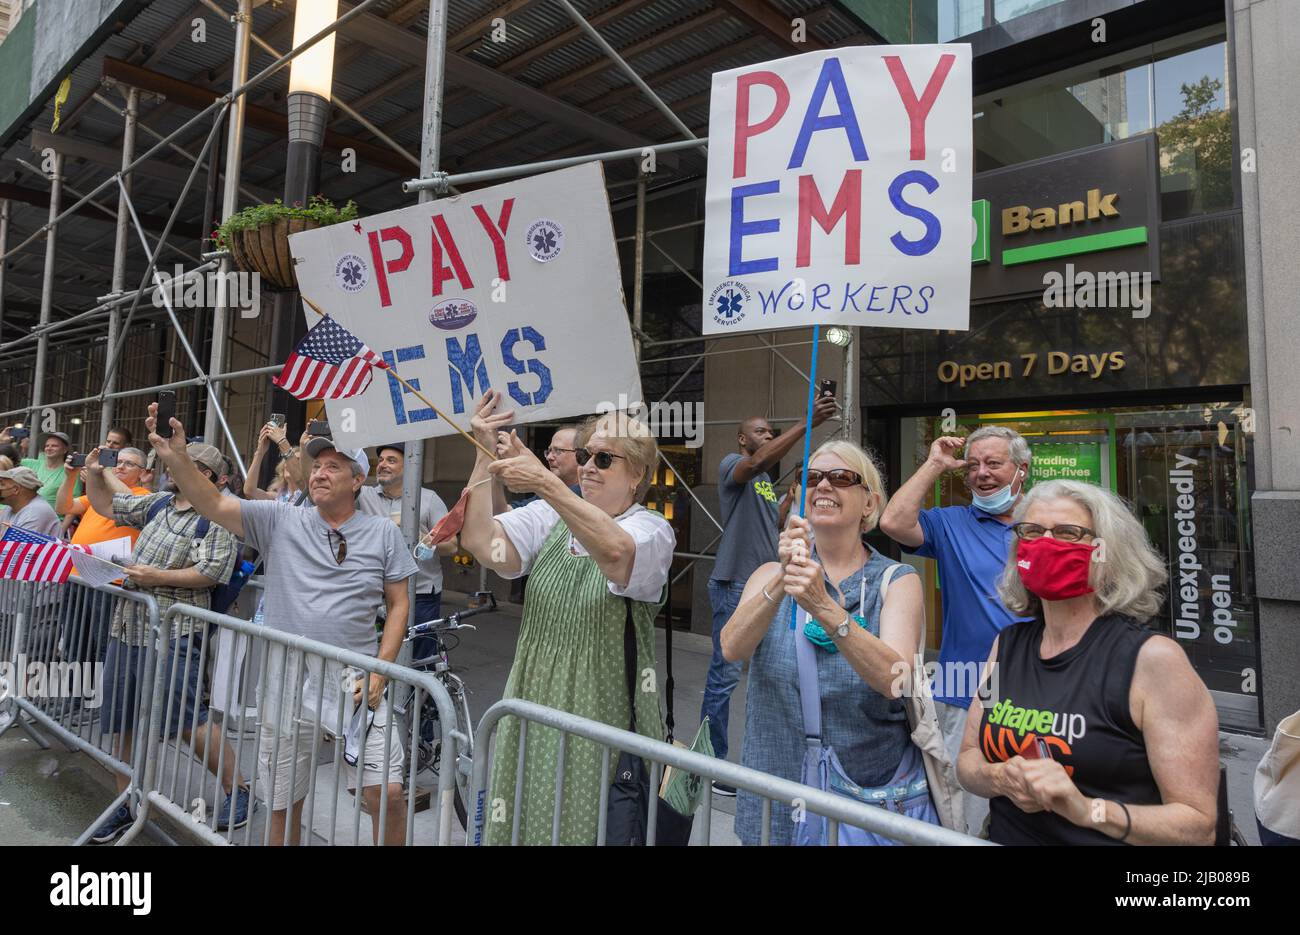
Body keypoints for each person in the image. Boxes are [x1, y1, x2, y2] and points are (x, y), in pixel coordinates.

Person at [144, 408, 419, 846]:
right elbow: (213, 502)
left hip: (355, 675)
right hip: (285, 676)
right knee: (282, 801)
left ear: (357, 481)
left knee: (385, 792)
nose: (320, 473)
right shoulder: (280, 518)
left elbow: (400, 604)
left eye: (334, 467)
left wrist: (381, 670)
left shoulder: (383, 534)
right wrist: (176, 459)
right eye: (317, 465)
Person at [460, 391, 675, 845]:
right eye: (584, 456)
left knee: (585, 827)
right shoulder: (550, 513)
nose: (588, 467)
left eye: (603, 457)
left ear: (637, 474)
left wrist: (548, 484)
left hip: (602, 709)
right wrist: (483, 455)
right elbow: (484, 543)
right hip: (533, 698)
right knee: (525, 820)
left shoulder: (652, 529)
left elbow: (616, 554)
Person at [957, 479, 1219, 845]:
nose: (1047, 543)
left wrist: (1088, 809)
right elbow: (968, 761)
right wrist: (1001, 778)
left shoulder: (1152, 660)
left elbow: (1197, 827)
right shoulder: (1008, 644)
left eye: (1068, 532)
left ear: (1105, 551)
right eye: (1032, 531)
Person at [720, 440, 927, 844]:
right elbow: (731, 648)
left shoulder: (897, 582)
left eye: (842, 477)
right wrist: (784, 575)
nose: (824, 486)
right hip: (774, 795)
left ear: (869, 503)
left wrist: (824, 606)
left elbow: (896, 680)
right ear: (798, 496)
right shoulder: (768, 574)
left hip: (860, 802)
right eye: (811, 478)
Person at [82, 439, 249, 844]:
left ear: (212, 478)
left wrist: (156, 577)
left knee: (187, 720)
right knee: (122, 717)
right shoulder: (157, 504)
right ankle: (128, 801)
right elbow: (106, 506)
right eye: (174, 463)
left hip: (174, 631)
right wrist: (94, 471)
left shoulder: (218, 516)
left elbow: (212, 572)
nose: (173, 470)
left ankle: (239, 790)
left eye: (187, 466)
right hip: (129, 626)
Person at [878, 425, 1033, 835]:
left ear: (1022, 469)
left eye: (994, 463)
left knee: (1027, 798)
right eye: (973, 466)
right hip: (962, 684)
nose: (981, 473)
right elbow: (892, 521)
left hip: (1034, 682)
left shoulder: (1043, 525)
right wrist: (934, 465)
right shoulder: (952, 523)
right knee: (947, 799)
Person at [702, 399, 836, 793]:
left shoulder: (762, 481)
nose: (768, 437)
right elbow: (757, 463)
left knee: (770, 673)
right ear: (743, 438)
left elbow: (771, 522)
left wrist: (790, 498)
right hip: (735, 582)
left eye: (771, 434)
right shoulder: (734, 465)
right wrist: (806, 422)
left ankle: (767, 760)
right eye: (761, 432)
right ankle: (711, 765)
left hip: (765, 584)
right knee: (723, 676)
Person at [55, 447, 152, 680]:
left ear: (143, 473)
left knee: (102, 644)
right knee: (74, 641)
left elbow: (127, 502)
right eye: (117, 461)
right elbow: (63, 508)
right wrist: (70, 477)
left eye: (129, 464)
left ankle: (98, 704)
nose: (120, 466)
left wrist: (104, 470)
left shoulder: (145, 497)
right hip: (78, 577)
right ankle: (73, 699)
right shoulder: (97, 494)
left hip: (110, 581)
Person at [360, 442, 453, 660]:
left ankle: (420, 694)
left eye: (391, 460)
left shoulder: (429, 499)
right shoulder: (365, 497)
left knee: (418, 660)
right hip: (375, 593)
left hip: (420, 594)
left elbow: (452, 545)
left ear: (410, 466)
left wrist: (422, 538)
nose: (383, 465)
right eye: (381, 460)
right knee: (375, 656)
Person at [21, 431, 76, 516]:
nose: (49, 448)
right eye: (47, 446)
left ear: (65, 450)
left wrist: (62, 528)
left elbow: (73, 505)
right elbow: (6, 460)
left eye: (54, 446)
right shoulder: (32, 464)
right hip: (26, 517)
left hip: (53, 523)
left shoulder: (71, 471)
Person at [244, 422, 302, 502]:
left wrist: (281, 441)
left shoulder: (311, 495)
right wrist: (260, 451)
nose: (289, 463)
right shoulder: (277, 497)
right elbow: (249, 491)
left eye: (297, 460)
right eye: (286, 459)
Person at [0, 466, 61, 537]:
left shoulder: (36, 512)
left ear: (16, 489)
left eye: (2, 484)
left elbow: (17, 546)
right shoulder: (10, 507)